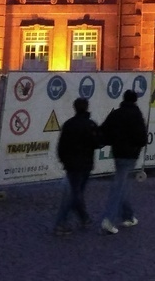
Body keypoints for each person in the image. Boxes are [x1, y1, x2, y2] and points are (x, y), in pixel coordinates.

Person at [99, 89, 147, 235]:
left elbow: (104, 130)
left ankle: (128, 216)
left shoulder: (116, 113)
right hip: (131, 154)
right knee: (119, 186)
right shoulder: (136, 115)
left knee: (122, 183)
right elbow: (142, 138)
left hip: (118, 153)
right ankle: (109, 219)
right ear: (135, 100)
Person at [52, 97, 101, 236]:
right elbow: (97, 143)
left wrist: (63, 161)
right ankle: (62, 223)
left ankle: (84, 218)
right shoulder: (90, 124)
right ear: (87, 107)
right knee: (75, 194)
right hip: (85, 164)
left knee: (76, 193)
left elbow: (61, 146)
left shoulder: (68, 124)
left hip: (71, 164)